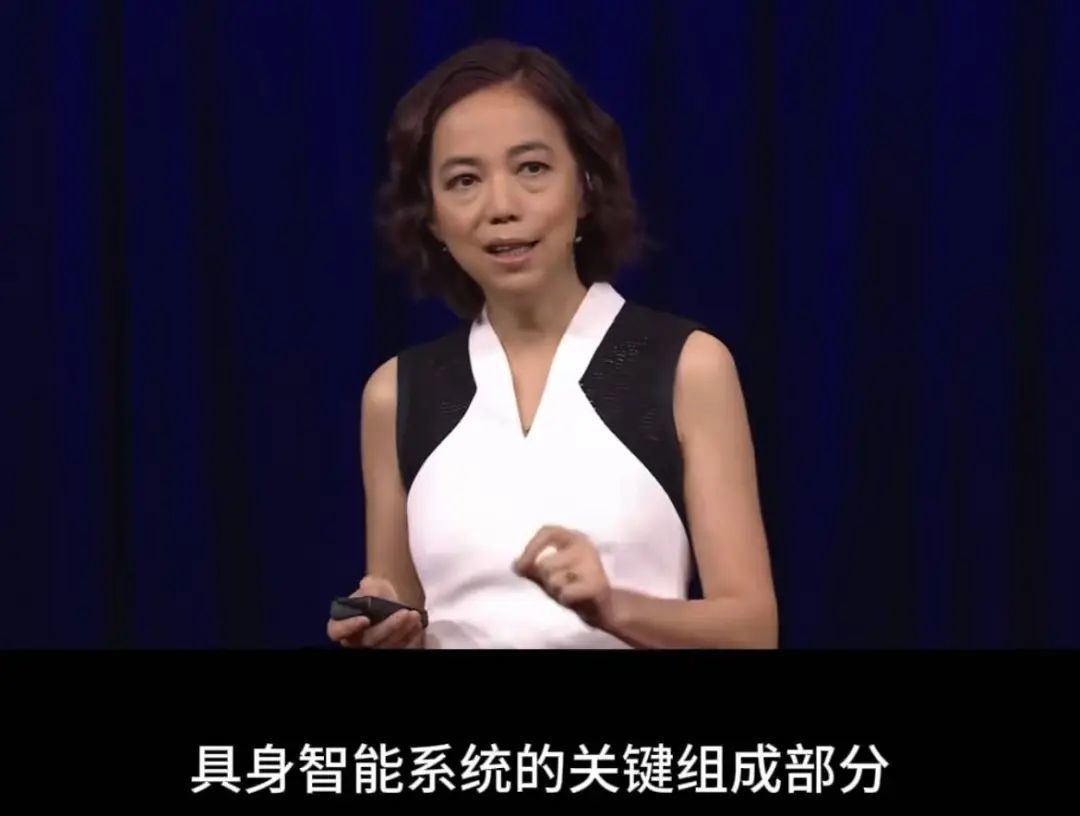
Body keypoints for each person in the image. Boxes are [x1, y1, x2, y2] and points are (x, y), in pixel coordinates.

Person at [326, 39, 778, 649]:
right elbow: (404, 614)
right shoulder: (396, 393)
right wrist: (383, 630)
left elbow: (752, 632)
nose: (502, 206)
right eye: (464, 180)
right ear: (431, 216)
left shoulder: (687, 367)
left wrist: (612, 609)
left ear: (586, 186)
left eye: (532, 169)